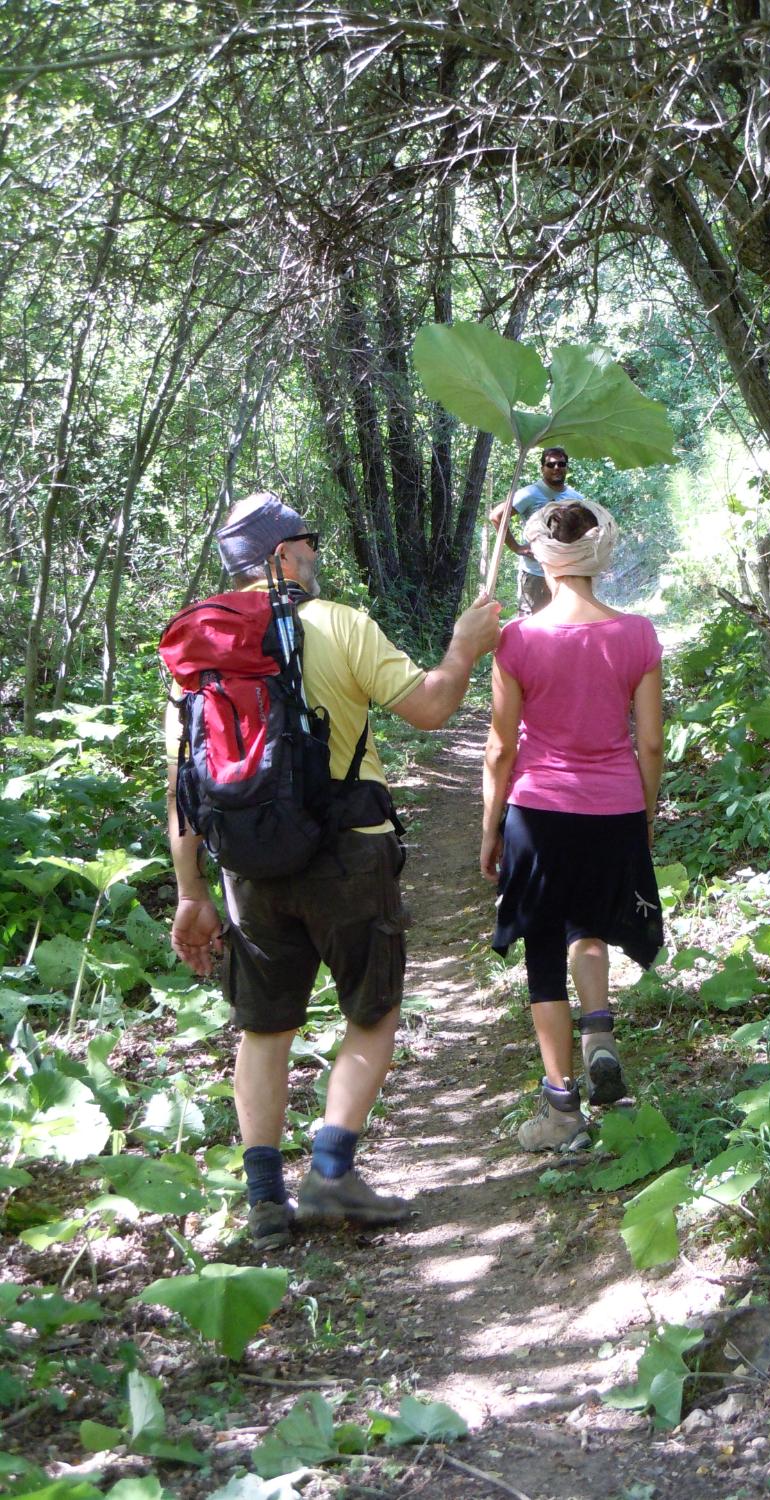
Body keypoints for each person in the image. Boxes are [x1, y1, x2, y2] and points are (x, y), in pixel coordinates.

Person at [166, 491, 500, 1248]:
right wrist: (464, 644)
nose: (315, 554)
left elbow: (184, 789)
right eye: (306, 543)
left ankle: (263, 1203)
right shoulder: (337, 623)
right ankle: (328, 1171)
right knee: (371, 1012)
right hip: (350, 851)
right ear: (280, 556)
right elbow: (431, 708)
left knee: (264, 1027)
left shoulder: (206, 649)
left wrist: (192, 893)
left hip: (247, 867)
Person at [480, 499, 664, 1152]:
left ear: (539, 555)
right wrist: (643, 813)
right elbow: (649, 745)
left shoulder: (518, 640)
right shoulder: (637, 635)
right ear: (599, 552)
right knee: (590, 928)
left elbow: (501, 748)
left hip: (538, 810)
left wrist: (490, 827)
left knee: (540, 954)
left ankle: (562, 1110)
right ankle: (600, 1038)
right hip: (612, 806)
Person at [489, 447, 584, 616]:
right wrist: (516, 547)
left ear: (566, 467)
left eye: (561, 464)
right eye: (551, 464)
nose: (556, 468)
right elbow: (496, 516)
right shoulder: (530, 494)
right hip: (535, 574)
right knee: (530, 622)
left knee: (562, 621)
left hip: (564, 573)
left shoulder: (576, 498)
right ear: (543, 468)